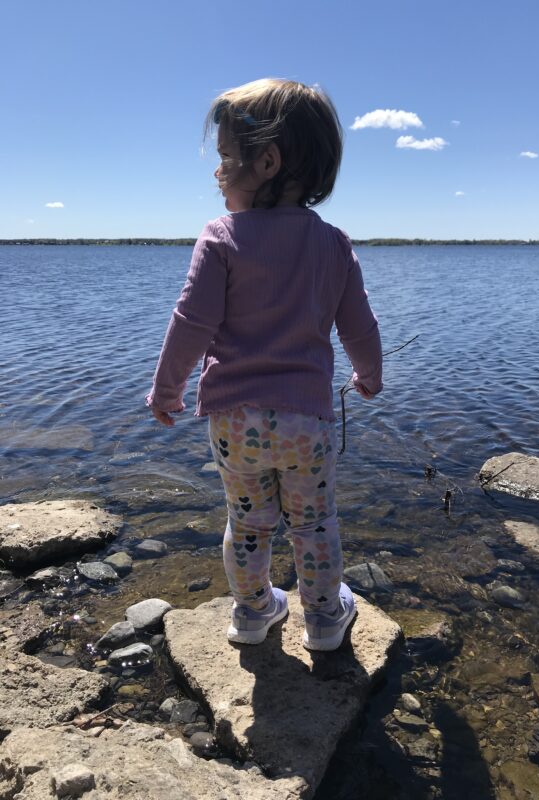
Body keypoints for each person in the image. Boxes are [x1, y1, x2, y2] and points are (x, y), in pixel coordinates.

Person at [146, 78, 382, 651]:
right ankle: (325, 619)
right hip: (307, 422)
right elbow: (359, 326)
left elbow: (190, 323)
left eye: (227, 157)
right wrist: (369, 376)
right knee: (313, 522)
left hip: (233, 422)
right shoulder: (333, 244)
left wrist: (166, 389)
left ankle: (253, 614)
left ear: (269, 161)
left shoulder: (220, 238)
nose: (218, 170)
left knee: (248, 522)